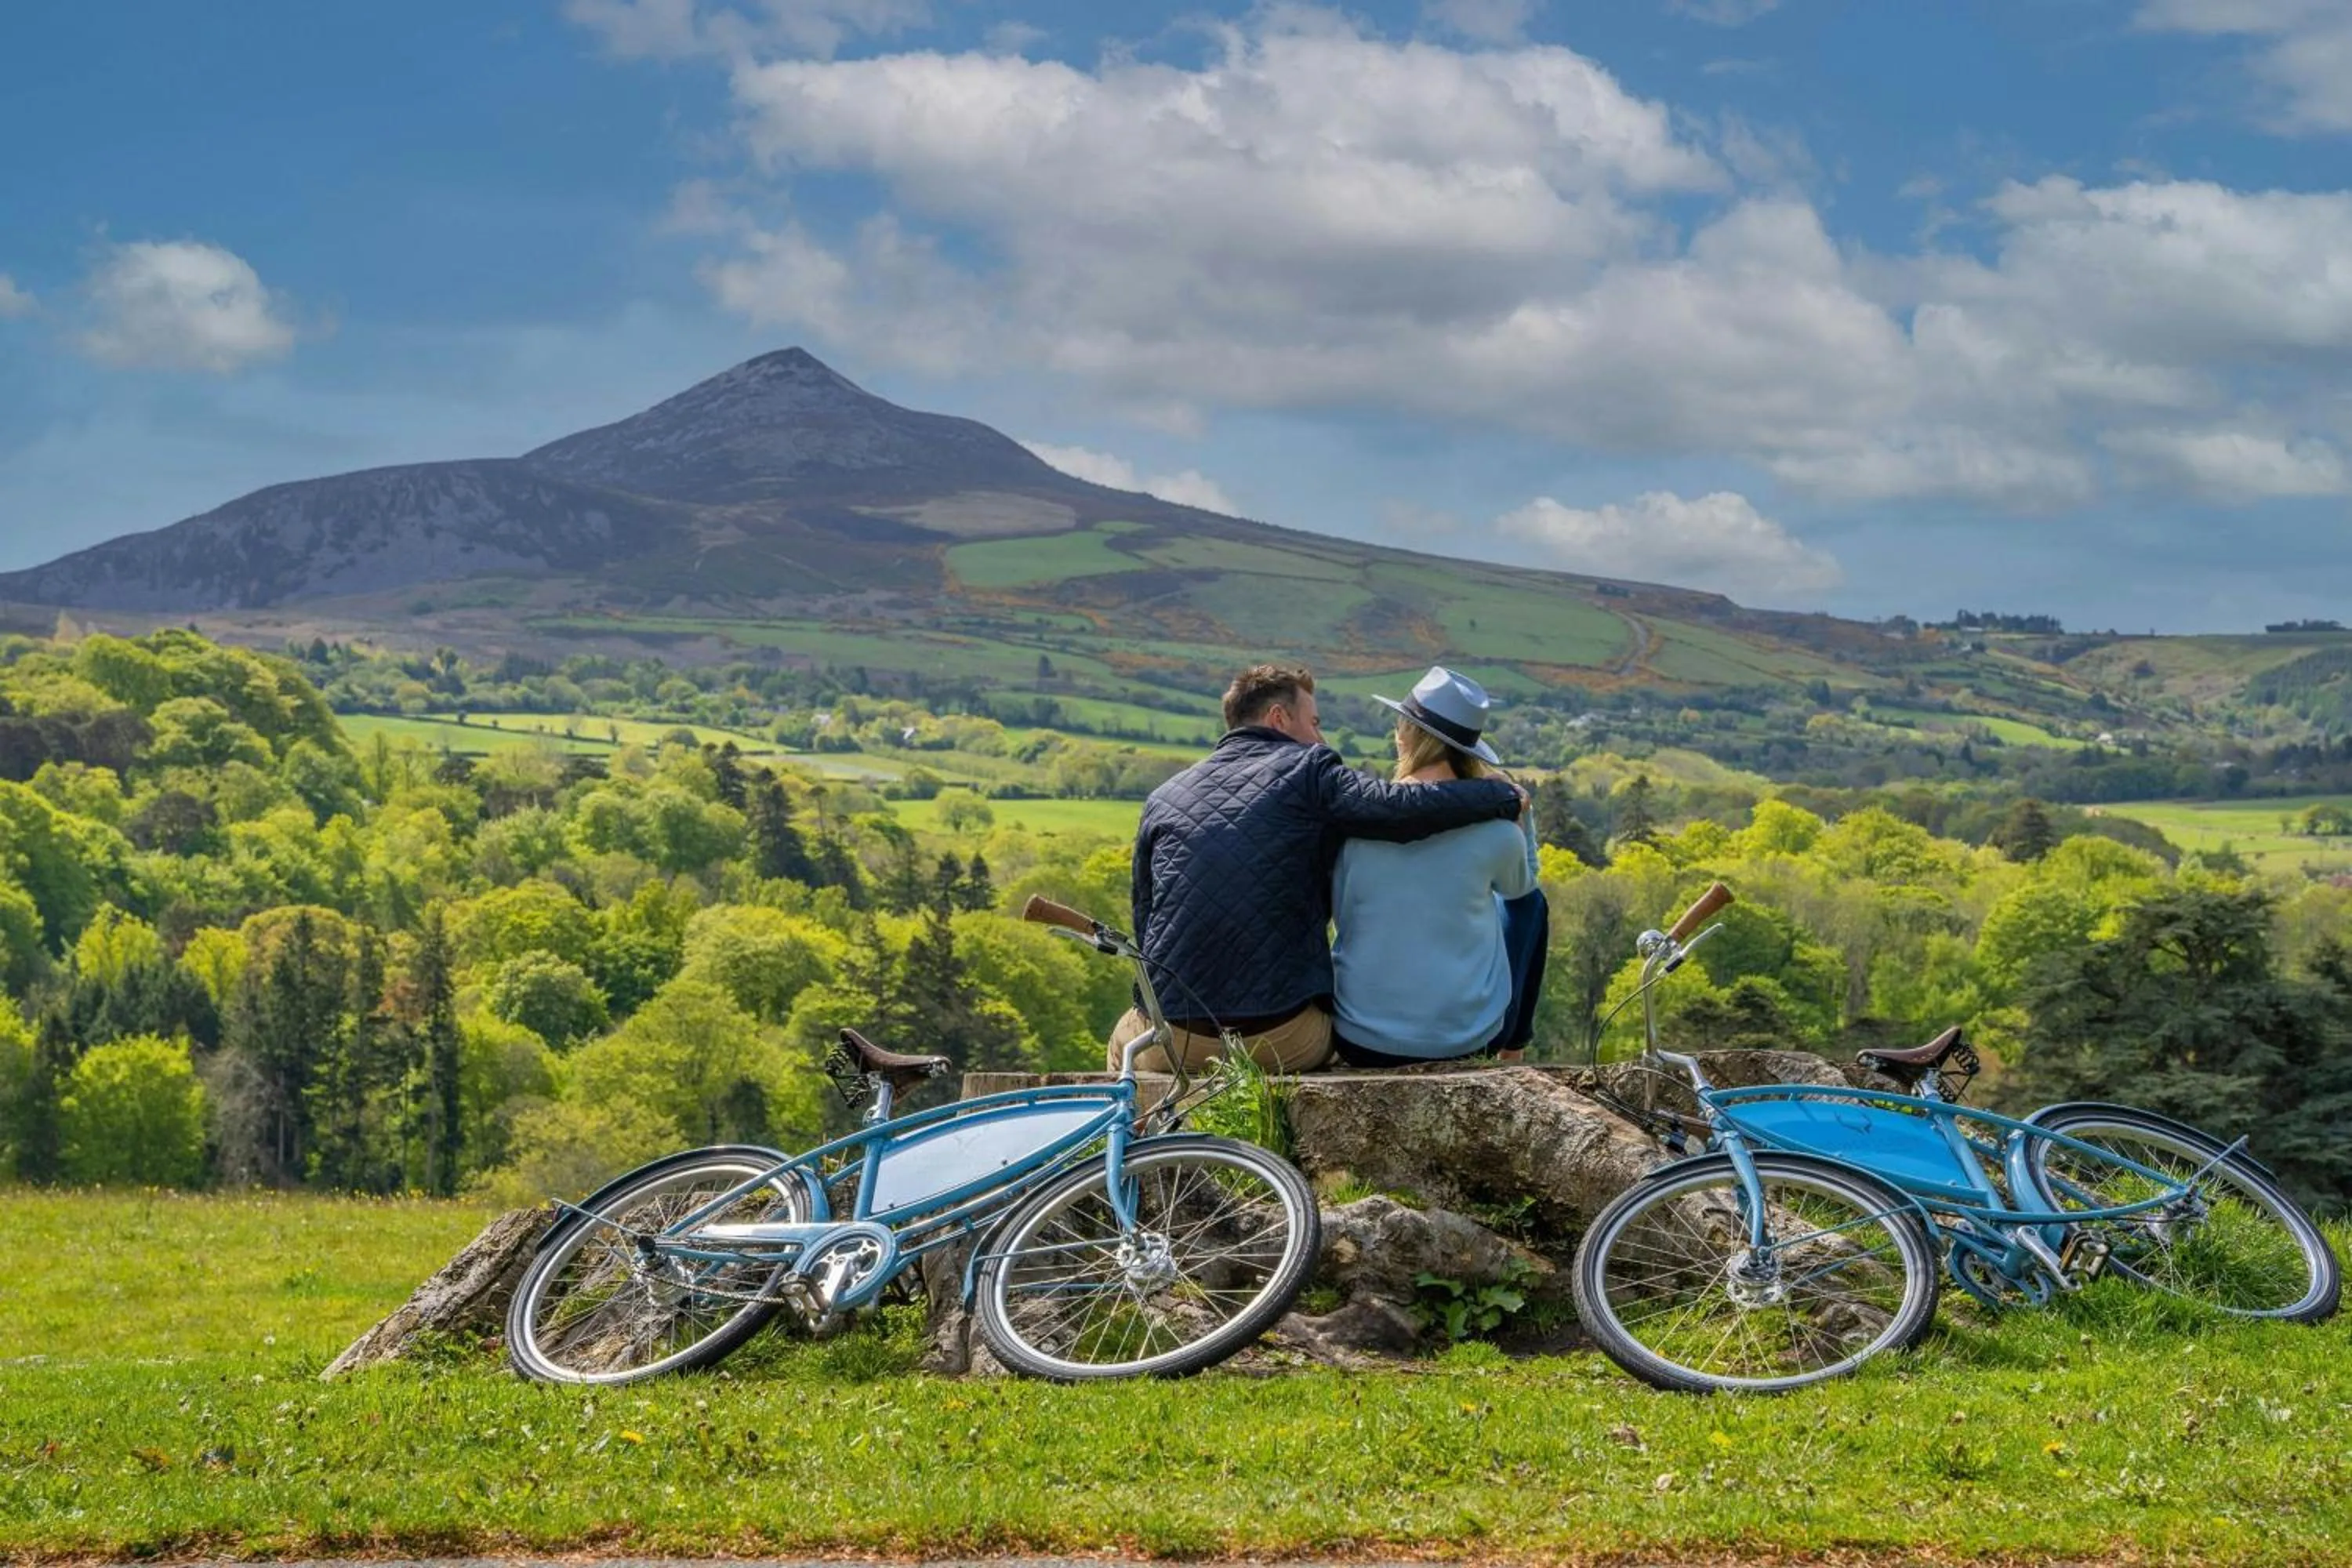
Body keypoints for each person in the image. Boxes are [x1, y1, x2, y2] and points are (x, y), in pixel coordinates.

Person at [1112, 662, 1524, 1073]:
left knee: (1121, 1052)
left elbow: (1145, 919)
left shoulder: (1163, 797)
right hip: (1282, 1038)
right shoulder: (1308, 769)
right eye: (1314, 722)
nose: (1320, 737)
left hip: (1174, 1035)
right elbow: (1398, 808)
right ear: (1278, 718)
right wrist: (1501, 795)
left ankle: (1142, 1139)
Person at [1329, 666, 1549, 1067]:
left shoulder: (1358, 822)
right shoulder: (1496, 832)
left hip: (1358, 1035)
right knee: (1528, 903)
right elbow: (1525, 891)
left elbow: (1343, 916)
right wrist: (1522, 818)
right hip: (1468, 1038)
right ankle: (1514, 1047)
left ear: (1404, 736)